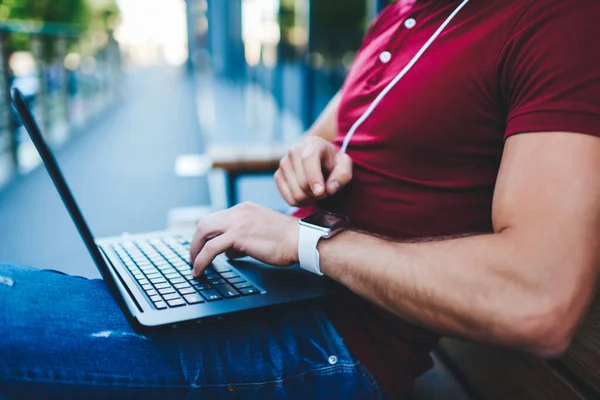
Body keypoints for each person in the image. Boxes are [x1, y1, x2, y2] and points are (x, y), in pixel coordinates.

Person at [2, 0, 600, 398]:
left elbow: (538, 298)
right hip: (271, 293)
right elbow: (321, 135)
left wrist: (306, 242)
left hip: (335, 345)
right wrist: (309, 154)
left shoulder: (560, 21)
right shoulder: (401, 13)